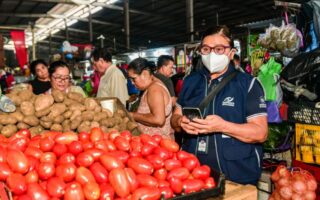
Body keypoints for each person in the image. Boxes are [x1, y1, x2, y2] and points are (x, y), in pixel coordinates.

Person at [171, 25, 268, 185]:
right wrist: (180, 122)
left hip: (235, 176)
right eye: (206, 49)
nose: (212, 54)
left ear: (231, 53)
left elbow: (260, 133)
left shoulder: (248, 84)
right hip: (192, 174)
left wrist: (223, 126)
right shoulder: (190, 81)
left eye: (219, 49)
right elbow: (174, 119)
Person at [128, 58, 174, 140]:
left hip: (158, 145)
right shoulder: (153, 85)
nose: (132, 82)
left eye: (134, 78)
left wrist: (133, 115)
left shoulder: (154, 89)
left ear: (145, 74)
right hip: (153, 143)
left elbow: (158, 119)